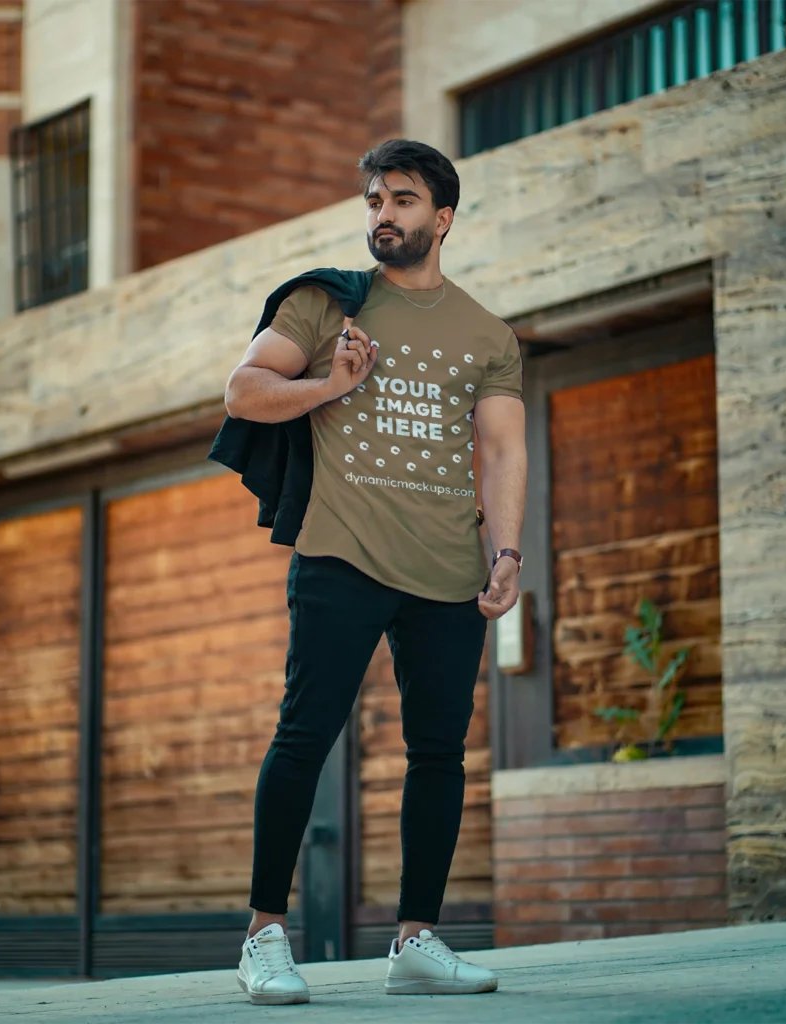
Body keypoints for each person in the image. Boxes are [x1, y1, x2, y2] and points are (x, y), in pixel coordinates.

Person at [226, 139, 527, 1005]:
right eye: (372, 200)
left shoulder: (485, 334)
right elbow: (242, 391)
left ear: (442, 217)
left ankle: (415, 941)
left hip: (444, 566)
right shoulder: (328, 304)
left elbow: (502, 448)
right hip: (341, 552)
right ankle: (264, 937)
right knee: (304, 736)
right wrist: (329, 385)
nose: (381, 214)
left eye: (400, 199)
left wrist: (504, 553)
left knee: (438, 754)